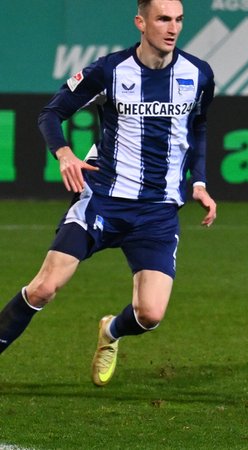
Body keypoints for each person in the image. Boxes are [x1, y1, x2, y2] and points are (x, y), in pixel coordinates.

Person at [0, 0, 217, 387]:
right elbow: (50, 113)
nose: (172, 28)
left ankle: (111, 332)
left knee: (150, 314)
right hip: (102, 197)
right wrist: (64, 153)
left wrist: (198, 182)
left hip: (157, 210)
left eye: (179, 20)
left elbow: (198, 128)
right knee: (45, 287)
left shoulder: (198, 73)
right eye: (163, 18)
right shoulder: (109, 70)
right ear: (141, 22)